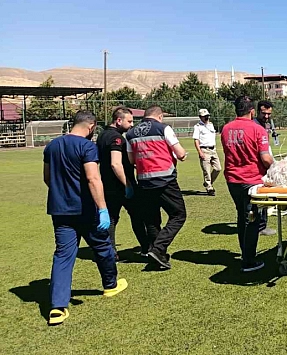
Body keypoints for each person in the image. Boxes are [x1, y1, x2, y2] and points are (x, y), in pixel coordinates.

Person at [43, 110, 128, 325]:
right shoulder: (87, 146)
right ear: (91, 127)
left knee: (63, 256)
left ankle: (58, 308)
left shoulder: (51, 146)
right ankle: (110, 285)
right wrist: (103, 209)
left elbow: (47, 178)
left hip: (60, 211)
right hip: (86, 210)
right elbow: (93, 178)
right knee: (103, 247)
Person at [126, 105, 188, 270]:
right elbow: (180, 153)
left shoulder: (131, 133)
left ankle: (157, 255)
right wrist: (181, 155)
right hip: (165, 179)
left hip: (144, 181)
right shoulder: (163, 128)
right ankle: (158, 248)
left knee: (152, 220)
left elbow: (132, 160)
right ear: (159, 116)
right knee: (178, 215)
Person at [221, 96, 274, 272]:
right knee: (252, 220)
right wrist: (277, 168)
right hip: (251, 180)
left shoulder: (226, 129)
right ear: (252, 111)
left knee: (241, 217)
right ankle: (249, 260)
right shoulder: (257, 129)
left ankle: (246, 253)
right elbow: (266, 158)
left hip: (232, 180)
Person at [96, 106, 150, 258]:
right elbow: (115, 163)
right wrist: (127, 184)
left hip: (107, 184)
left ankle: (110, 251)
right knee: (138, 215)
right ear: (119, 120)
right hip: (121, 184)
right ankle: (146, 247)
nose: (132, 124)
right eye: (130, 121)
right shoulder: (116, 138)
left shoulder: (102, 135)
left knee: (112, 218)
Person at [253, 100, 278, 236]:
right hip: (259, 166)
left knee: (264, 198)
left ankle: (261, 224)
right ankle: (259, 226)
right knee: (260, 198)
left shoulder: (265, 125)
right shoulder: (255, 125)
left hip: (265, 163)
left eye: (269, 114)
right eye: (264, 113)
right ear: (257, 111)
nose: (267, 116)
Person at [192, 108, 221, 196]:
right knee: (207, 171)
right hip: (204, 149)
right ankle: (209, 188)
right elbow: (196, 140)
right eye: (204, 117)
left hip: (213, 150)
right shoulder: (197, 127)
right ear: (200, 117)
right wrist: (200, 152)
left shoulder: (211, 125)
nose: (207, 118)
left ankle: (208, 182)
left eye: (207, 116)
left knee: (218, 168)